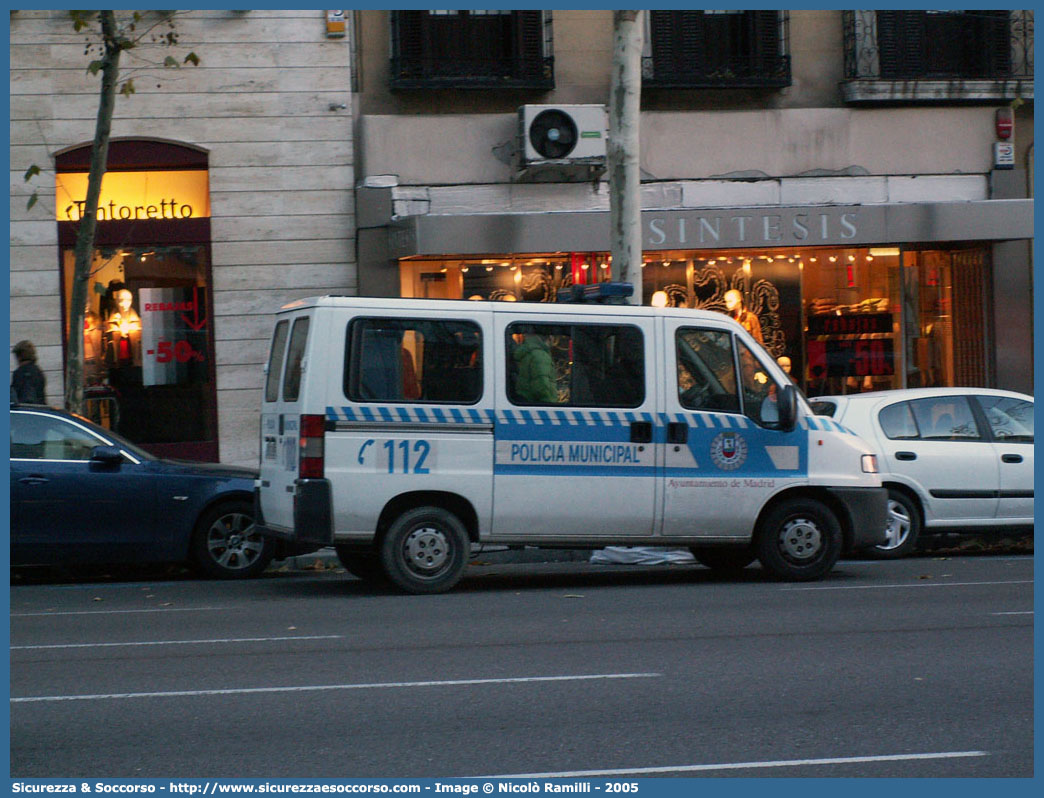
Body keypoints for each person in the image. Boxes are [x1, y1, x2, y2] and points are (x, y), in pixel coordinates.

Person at [511, 332, 557, 404]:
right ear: (550, 338)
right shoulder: (541, 355)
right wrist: (550, 405)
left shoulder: (529, 352)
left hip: (526, 399)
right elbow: (541, 385)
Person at [11, 340, 46, 404]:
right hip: (40, 409)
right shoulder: (37, 371)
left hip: (26, 410)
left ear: (19, 356)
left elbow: (27, 398)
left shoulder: (21, 373)